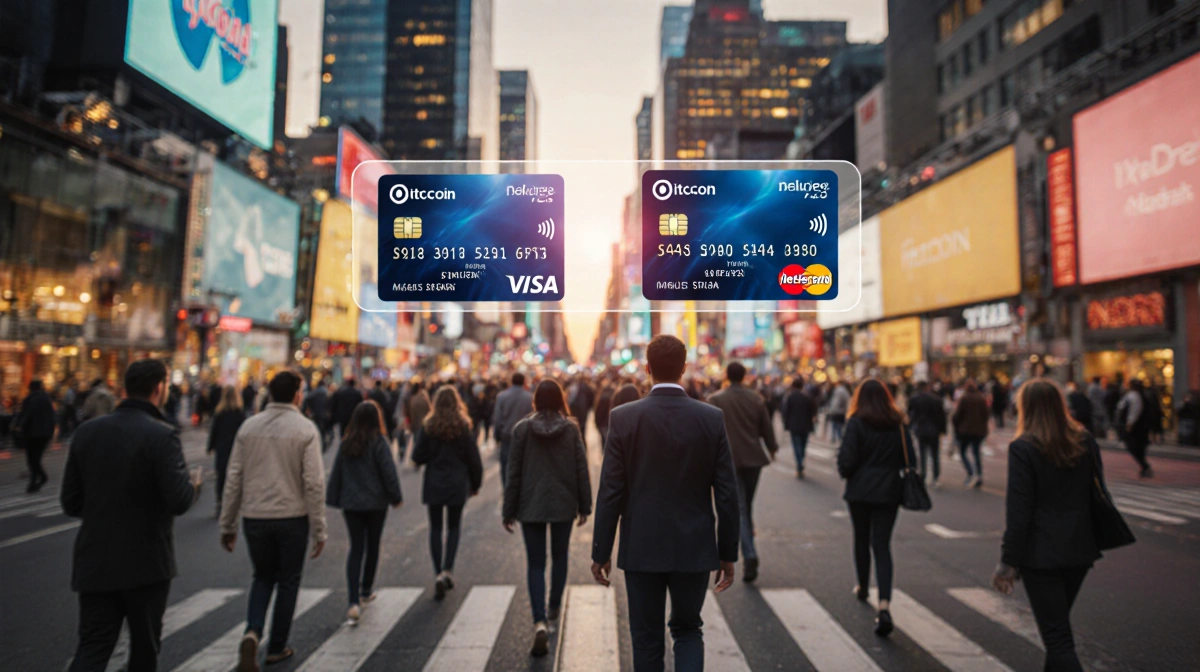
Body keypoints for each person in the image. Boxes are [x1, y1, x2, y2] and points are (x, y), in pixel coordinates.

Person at [591, 335, 739, 672]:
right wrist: (728, 552)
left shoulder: (624, 418)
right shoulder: (710, 418)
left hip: (642, 545)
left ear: (647, 369)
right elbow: (728, 494)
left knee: (646, 638)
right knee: (688, 629)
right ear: (683, 369)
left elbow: (610, 491)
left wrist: (601, 551)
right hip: (694, 543)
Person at [61, 359, 202, 672]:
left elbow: (70, 502)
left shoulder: (86, 432)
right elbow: (178, 500)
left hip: (95, 559)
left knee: (93, 647)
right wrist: (194, 486)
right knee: (143, 650)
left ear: (126, 388)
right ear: (159, 388)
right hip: (146, 563)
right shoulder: (162, 435)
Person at [993, 379, 1106, 672]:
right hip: (1080, 547)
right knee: (1057, 628)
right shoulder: (1084, 440)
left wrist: (1008, 561)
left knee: (1057, 639)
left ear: (1025, 408)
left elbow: (1019, 510)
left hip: (1041, 554)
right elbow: (1097, 493)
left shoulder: (1023, 447)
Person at [220, 371, 327, 671]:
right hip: (292, 517)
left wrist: (228, 524)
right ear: (296, 395)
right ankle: (277, 646)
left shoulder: (249, 427)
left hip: (255, 516)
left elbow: (234, 478)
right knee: (288, 581)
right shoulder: (305, 429)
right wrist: (319, 528)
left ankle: (253, 631)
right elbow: (314, 483)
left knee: (263, 576)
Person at [502, 380, 592, 656]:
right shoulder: (571, 429)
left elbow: (514, 473)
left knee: (536, 563)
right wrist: (585, 505)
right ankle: (554, 606)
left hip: (531, 503)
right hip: (563, 502)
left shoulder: (522, 429)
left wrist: (508, 510)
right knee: (560, 556)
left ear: (536, 400)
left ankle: (539, 620)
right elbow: (581, 467)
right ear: (560, 400)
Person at [836, 378, 914, 638]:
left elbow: (847, 460)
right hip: (889, 490)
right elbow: (910, 458)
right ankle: (884, 605)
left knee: (861, 539)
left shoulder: (856, 422)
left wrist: (847, 471)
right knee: (882, 545)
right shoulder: (897, 423)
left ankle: (862, 586)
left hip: (860, 490)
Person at [325, 401, 403, 625]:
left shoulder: (347, 443)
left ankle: (353, 601)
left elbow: (337, 473)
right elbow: (388, 472)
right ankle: (366, 589)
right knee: (373, 545)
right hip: (376, 503)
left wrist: (333, 498)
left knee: (356, 548)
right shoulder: (379, 442)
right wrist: (396, 497)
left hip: (351, 504)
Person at [708, 362, 778, 582]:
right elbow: (766, 427)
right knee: (745, 505)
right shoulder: (756, 399)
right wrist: (772, 448)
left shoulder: (716, 400)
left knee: (739, 508)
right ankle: (749, 548)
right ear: (744, 376)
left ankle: (749, 554)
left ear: (726, 376)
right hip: (753, 458)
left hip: (728, 460)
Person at [412, 386, 483, 601]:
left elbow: (417, 456)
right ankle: (448, 569)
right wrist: (476, 484)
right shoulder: (463, 426)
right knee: (453, 527)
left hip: (434, 481)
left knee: (435, 527)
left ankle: (437, 572)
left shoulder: (429, 426)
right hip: (457, 482)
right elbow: (474, 459)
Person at [208, 385, 246, 518]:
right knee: (235, 477)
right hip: (235, 449)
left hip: (222, 449)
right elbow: (243, 432)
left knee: (221, 477)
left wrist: (210, 446)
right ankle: (233, 505)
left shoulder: (219, 413)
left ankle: (220, 502)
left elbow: (214, 431)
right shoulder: (239, 413)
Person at [12, 380, 56, 493]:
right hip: (44, 434)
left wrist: (18, 426)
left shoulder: (29, 399)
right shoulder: (47, 399)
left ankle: (39, 478)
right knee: (36, 458)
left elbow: (25, 415)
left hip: (32, 434)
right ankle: (35, 481)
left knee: (32, 459)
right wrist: (51, 431)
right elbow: (52, 416)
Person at [492, 372, 534, 488]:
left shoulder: (502, 396)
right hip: (524, 436)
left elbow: (497, 418)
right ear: (524, 382)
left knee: (506, 464)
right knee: (522, 465)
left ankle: (507, 489)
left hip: (507, 435)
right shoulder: (529, 397)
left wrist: (497, 435)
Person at [907, 381, 947, 488]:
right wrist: (943, 430)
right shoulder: (936, 399)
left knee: (922, 453)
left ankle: (923, 474)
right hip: (934, 430)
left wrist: (910, 428)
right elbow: (942, 416)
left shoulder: (914, 399)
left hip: (921, 429)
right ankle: (935, 476)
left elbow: (911, 415)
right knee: (935, 454)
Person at [952, 381, 990, 489]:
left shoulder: (964, 398)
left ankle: (971, 472)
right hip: (979, 431)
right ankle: (979, 475)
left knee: (962, 452)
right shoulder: (981, 398)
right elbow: (986, 414)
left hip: (965, 430)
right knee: (976, 453)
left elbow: (958, 415)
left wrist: (956, 425)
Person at [1115, 378, 1153, 478]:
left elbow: (1134, 411)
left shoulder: (1135, 396)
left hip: (1136, 427)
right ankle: (1144, 466)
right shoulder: (1132, 395)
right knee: (1136, 447)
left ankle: (1144, 466)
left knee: (1134, 446)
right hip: (1136, 427)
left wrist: (1129, 423)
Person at [781, 377, 817, 480]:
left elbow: (785, 411)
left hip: (794, 425)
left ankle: (799, 463)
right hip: (806, 425)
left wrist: (786, 423)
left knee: (797, 446)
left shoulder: (790, 397)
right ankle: (800, 461)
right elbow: (813, 410)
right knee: (803, 445)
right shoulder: (808, 396)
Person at [330, 377, 363, 444]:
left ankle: (344, 444)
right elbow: (360, 405)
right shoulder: (357, 393)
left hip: (342, 417)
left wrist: (333, 417)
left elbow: (334, 404)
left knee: (343, 433)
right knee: (352, 433)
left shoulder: (340, 392)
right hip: (353, 417)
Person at [302, 379, 333, 451]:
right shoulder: (327, 393)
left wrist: (308, 409)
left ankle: (320, 445)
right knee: (324, 432)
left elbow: (307, 400)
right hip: (325, 414)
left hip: (316, 414)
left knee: (318, 430)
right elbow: (331, 404)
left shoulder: (314, 392)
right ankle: (323, 445)